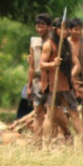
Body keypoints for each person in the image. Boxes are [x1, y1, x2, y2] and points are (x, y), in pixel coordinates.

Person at [40, 17, 83, 145]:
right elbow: (41, 64)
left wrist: (69, 76)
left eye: (67, 28)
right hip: (52, 85)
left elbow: (77, 65)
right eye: (63, 28)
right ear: (55, 30)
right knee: (50, 115)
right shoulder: (48, 45)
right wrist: (52, 64)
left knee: (75, 113)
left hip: (67, 85)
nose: (66, 31)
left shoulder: (69, 44)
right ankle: (46, 145)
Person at [27, 13, 51, 144]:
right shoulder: (34, 42)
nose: (40, 29)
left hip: (51, 81)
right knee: (38, 112)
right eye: (38, 26)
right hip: (37, 81)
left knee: (52, 113)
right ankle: (37, 142)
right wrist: (29, 86)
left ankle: (49, 140)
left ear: (49, 27)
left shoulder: (54, 43)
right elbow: (31, 66)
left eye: (42, 26)